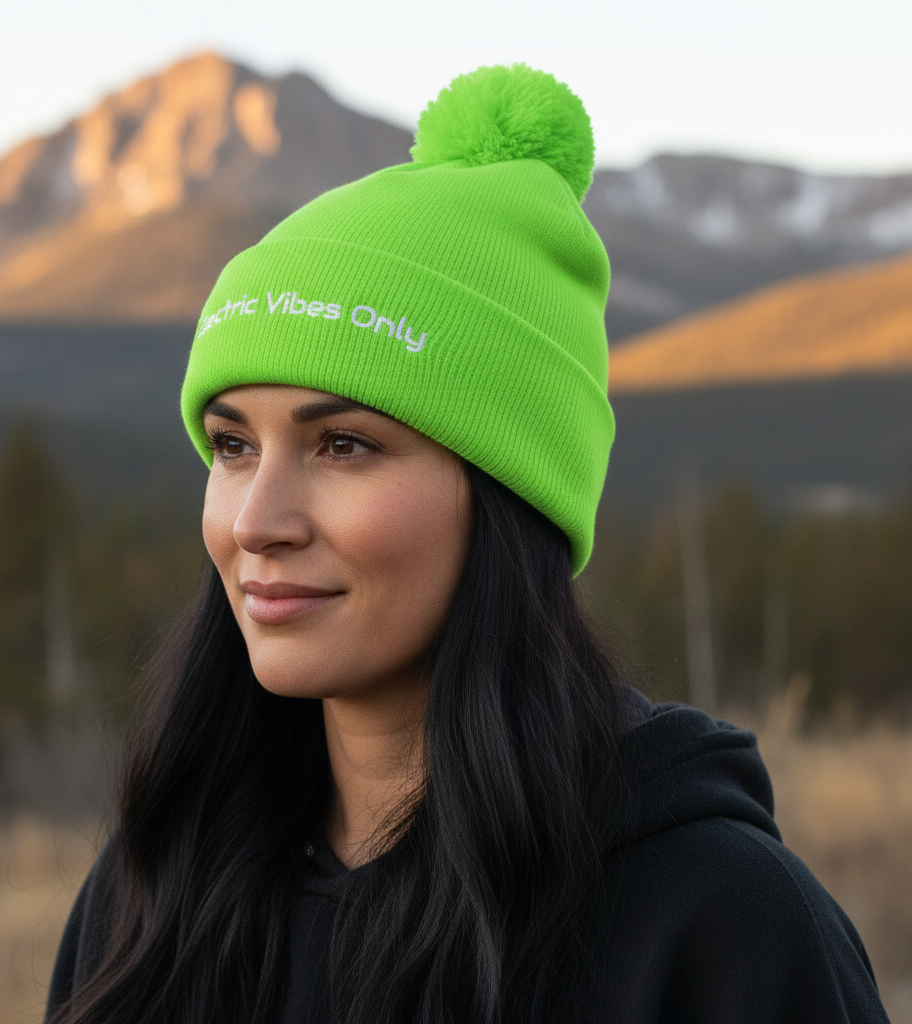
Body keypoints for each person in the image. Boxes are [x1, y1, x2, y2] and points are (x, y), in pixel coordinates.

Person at [45, 65, 890, 1023]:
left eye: (345, 445)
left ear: (507, 497)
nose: (255, 520)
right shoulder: (155, 892)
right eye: (233, 445)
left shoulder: (715, 918)